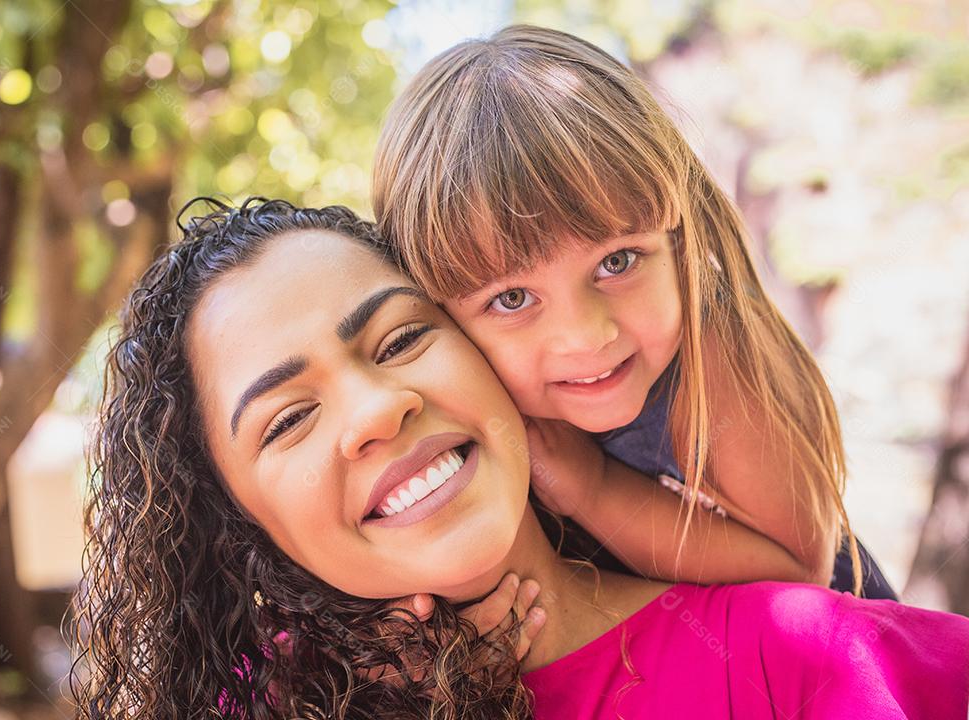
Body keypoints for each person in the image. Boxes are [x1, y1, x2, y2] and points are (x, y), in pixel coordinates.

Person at [71, 197, 969, 719]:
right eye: (289, 419)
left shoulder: (810, 660)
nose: (379, 409)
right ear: (239, 525)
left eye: (400, 340)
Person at [372, 24, 897, 599]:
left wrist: (593, 488)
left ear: (676, 239)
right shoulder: (463, 415)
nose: (586, 335)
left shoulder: (712, 350)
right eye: (513, 299)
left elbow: (803, 568)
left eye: (617, 262)